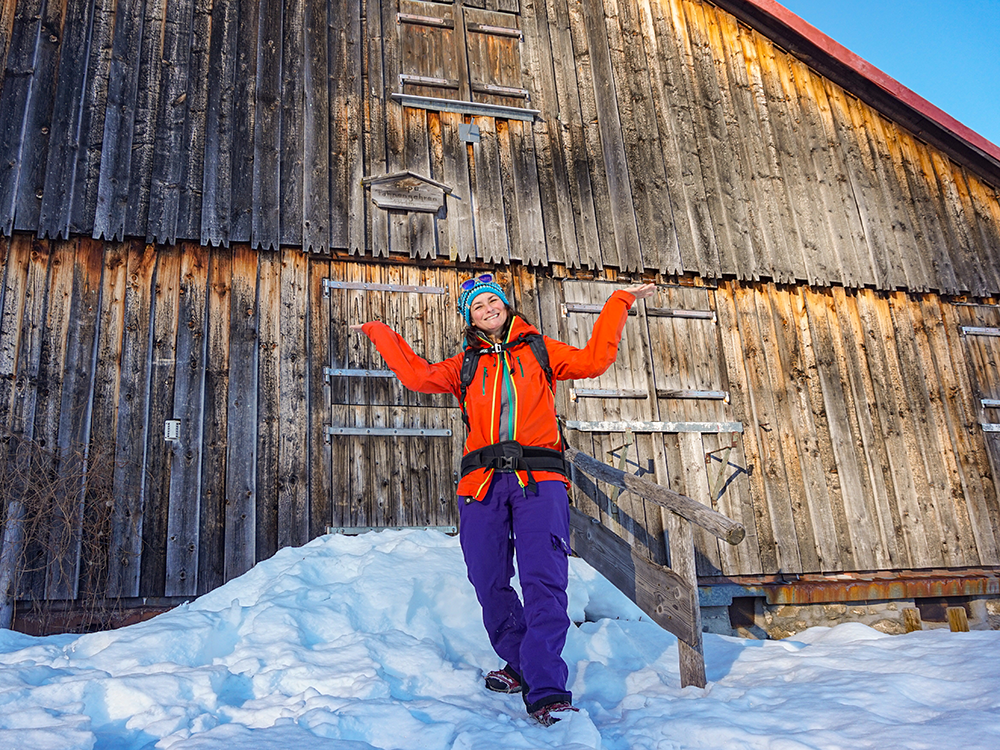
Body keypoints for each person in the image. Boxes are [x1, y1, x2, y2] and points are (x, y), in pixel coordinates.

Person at [350, 273, 655, 726]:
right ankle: (523, 663)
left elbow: (593, 360)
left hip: (540, 479)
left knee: (543, 581)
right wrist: (380, 331)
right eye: (477, 306)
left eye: (493, 300)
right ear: (469, 317)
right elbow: (416, 377)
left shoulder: (540, 350)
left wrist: (620, 301)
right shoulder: (464, 365)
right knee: (487, 579)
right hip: (480, 485)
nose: (487, 308)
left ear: (506, 306)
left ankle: (547, 689)